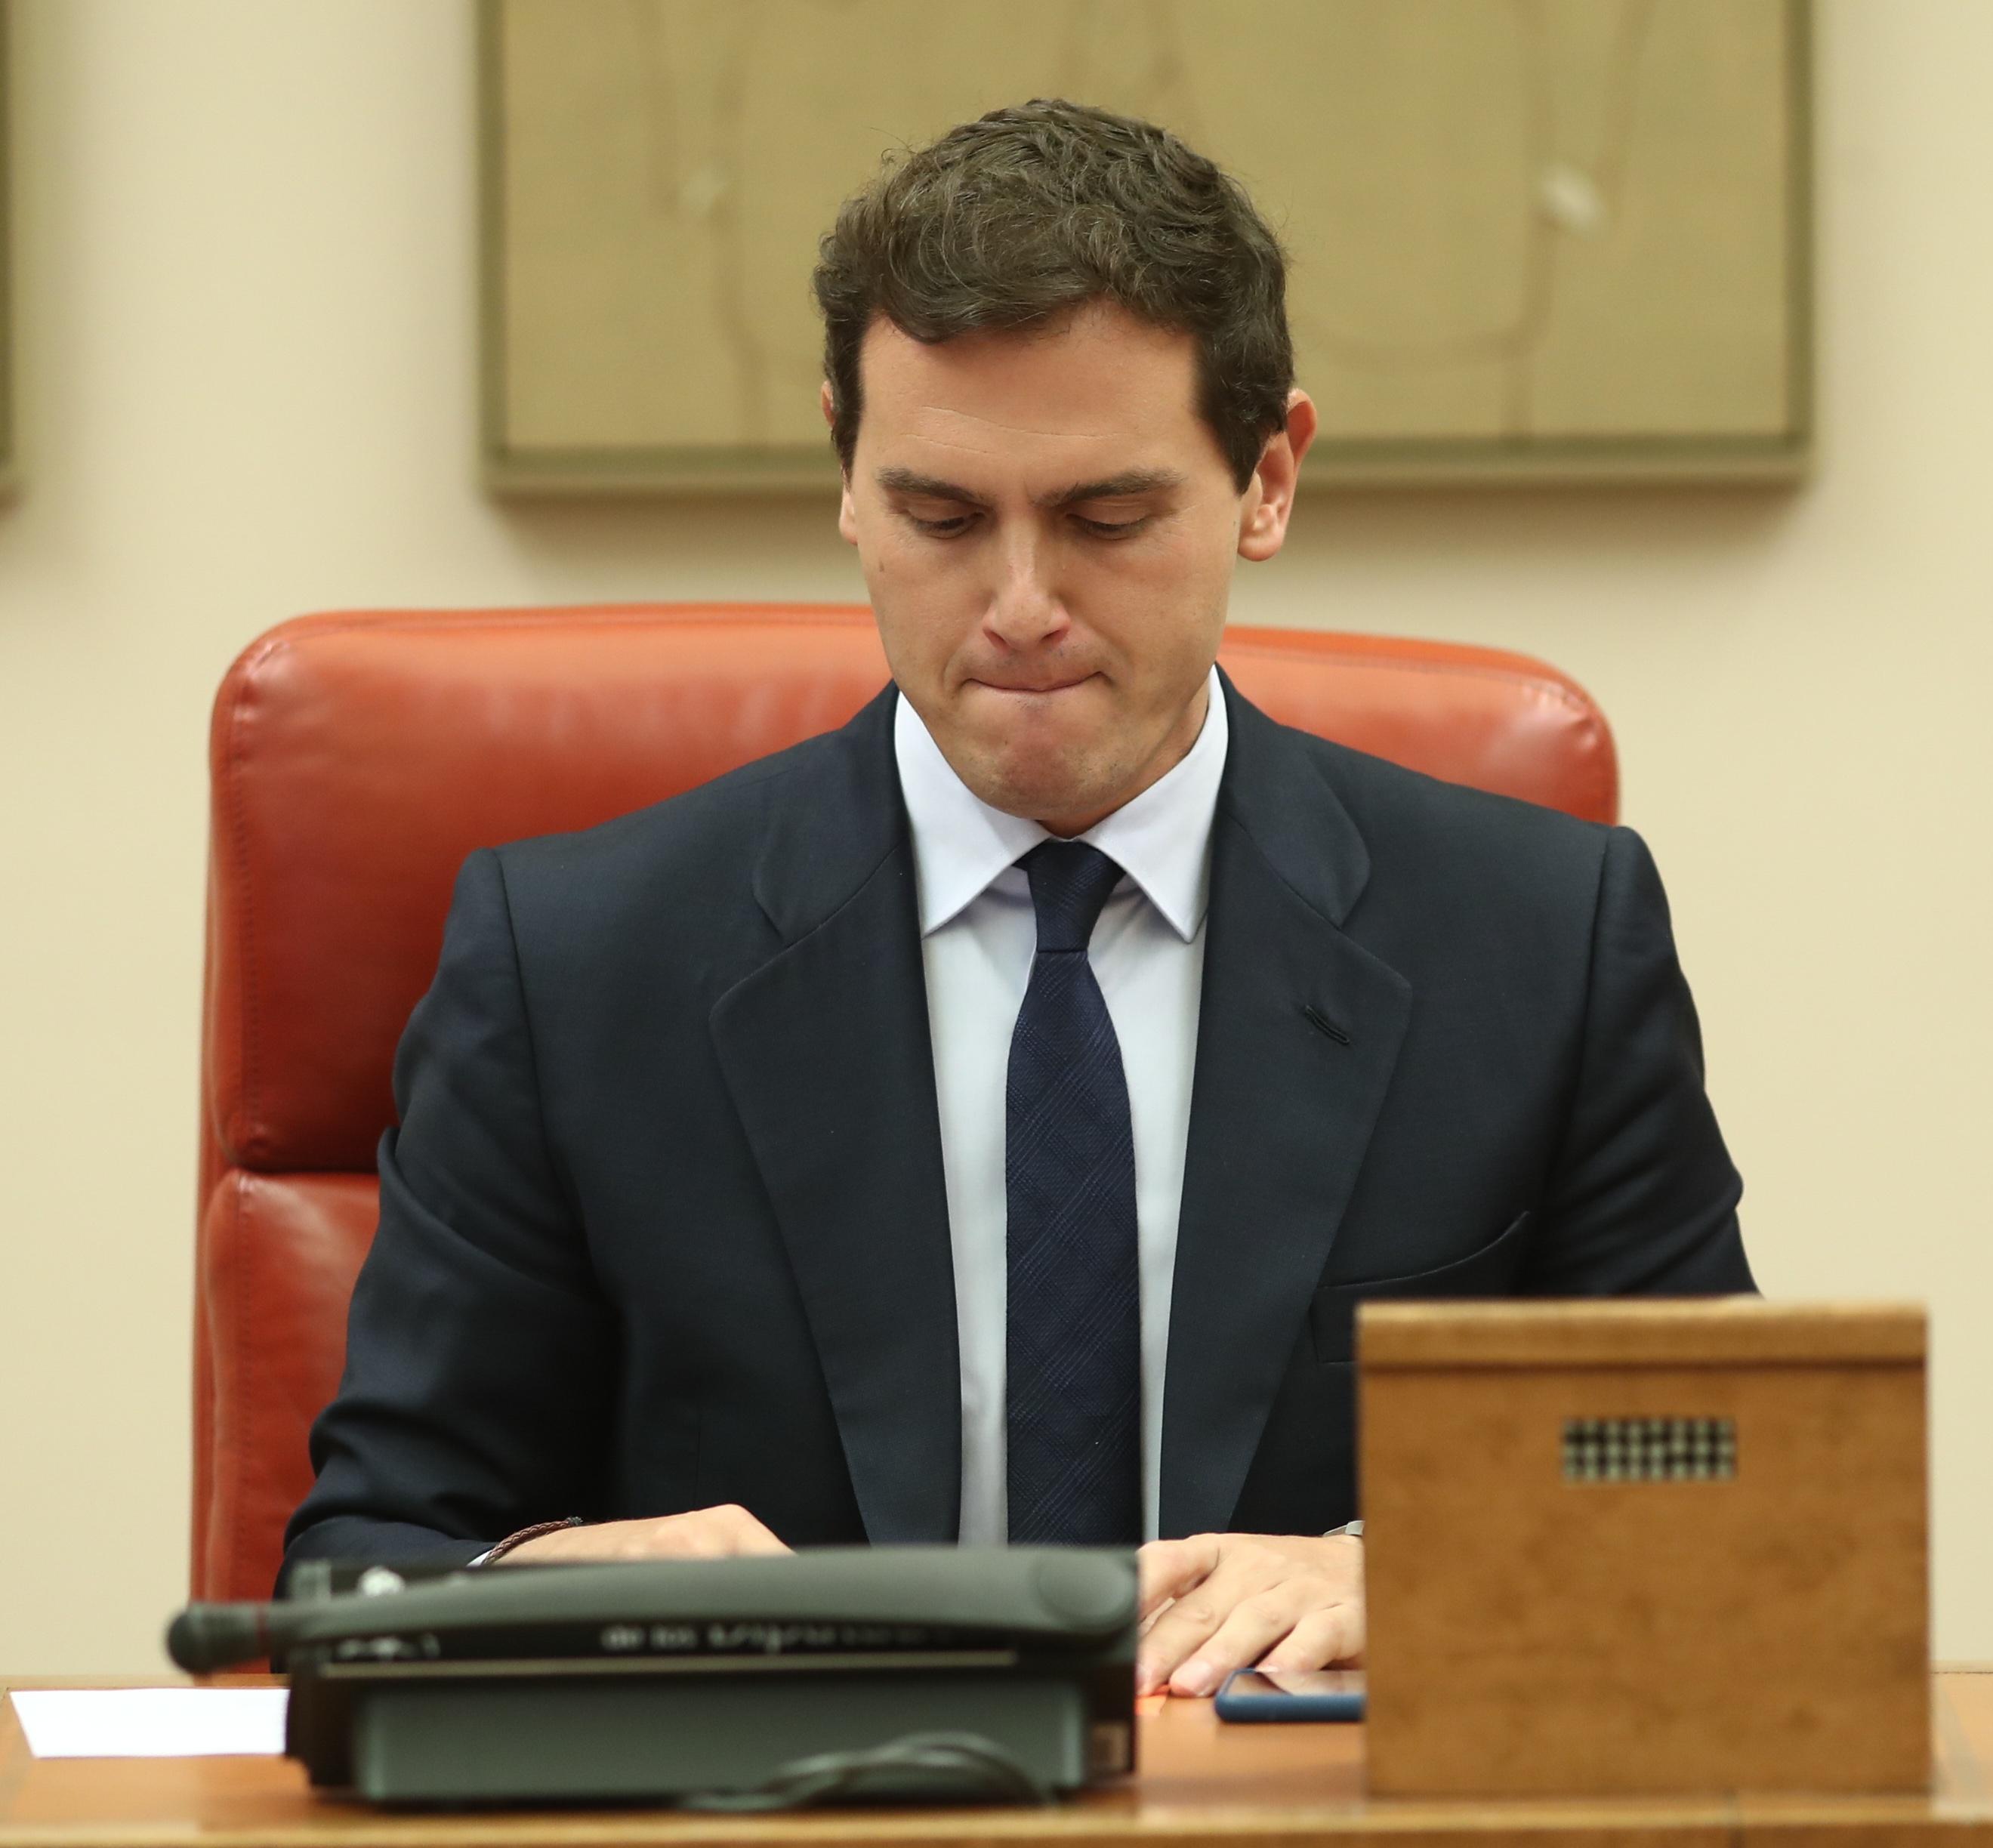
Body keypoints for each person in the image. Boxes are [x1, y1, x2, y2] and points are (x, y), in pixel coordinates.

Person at [285, 100, 1751, 1698]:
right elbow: (365, 1563)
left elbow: (1722, 1494)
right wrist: (560, 1576)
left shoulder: (1540, 939)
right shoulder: (575, 966)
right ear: (846, 473)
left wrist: (1409, 1568)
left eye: (1107, 520)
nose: (1022, 608)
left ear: (1267, 481)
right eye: (939, 518)